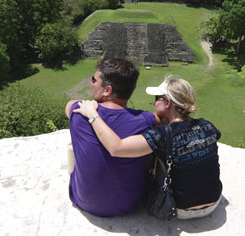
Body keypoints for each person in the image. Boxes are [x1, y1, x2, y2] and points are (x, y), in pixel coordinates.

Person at [74, 75, 223, 219]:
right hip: (213, 203)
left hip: (178, 208)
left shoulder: (162, 135)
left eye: (156, 98)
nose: (153, 103)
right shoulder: (207, 125)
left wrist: (92, 114)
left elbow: (117, 148)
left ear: (167, 103)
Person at [65, 58, 158, 217]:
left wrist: (88, 106)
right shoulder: (146, 120)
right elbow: (163, 120)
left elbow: (69, 105)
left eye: (94, 80)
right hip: (129, 204)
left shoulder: (79, 113)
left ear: (107, 90)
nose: (91, 83)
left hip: (85, 202)